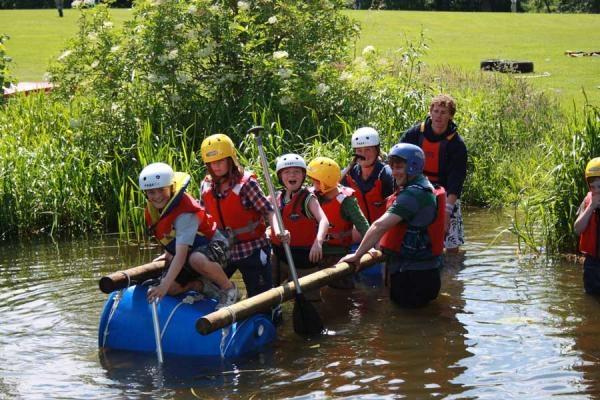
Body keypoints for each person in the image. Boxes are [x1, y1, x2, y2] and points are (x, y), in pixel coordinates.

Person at [340, 143, 446, 307]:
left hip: (413, 276)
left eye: (399, 168)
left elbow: (379, 226)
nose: (394, 173)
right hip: (421, 271)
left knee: (405, 325)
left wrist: (357, 255)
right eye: (393, 167)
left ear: (413, 167)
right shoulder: (421, 186)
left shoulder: (413, 195)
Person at [140, 162, 239, 309]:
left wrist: (163, 286)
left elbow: (180, 255)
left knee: (196, 259)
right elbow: (171, 234)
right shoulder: (153, 210)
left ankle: (229, 289)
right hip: (192, 250)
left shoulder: (185, 213)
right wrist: (168, 254)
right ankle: (202, 286)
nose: (157, 196)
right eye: (151, 192)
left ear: (172, 188)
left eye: (161, 190)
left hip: (217, 245)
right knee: (172, 289)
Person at [199, 133, 283, 303]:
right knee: (205, 284)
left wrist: (279, 230)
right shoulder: (207, 185)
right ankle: (227, 309)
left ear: (231, 159)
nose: (216, 166)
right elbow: (201, 216)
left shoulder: (246, 184)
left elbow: (269, 210)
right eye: (212, 163)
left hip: (251, 248)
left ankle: (272, 316)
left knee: (261, 297)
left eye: (221, 161)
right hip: (223, 248)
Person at [399, 94, 467, 253]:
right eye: (436, 111)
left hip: (446, 192)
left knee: (451, 241)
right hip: (416, 188)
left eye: (443, 112)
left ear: (450, 116)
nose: (438, 116)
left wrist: (447, 212)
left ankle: (452, 272)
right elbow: (399, 159)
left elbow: (456, 181)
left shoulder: (457, 144)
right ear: (430, 112)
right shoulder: (415, 133)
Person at [270, 153, 329, 301]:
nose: (292, 175)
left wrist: (318, 242)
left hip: (304, 260)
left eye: (296, 172)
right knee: (267, 291)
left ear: (303, 176)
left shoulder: (308, 198)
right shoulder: (276, 197)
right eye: (287, 172)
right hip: (280, 256)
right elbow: (271, 216)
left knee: (310, 301)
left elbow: (324, 220)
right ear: (280, 176)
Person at [306, 156, 369, 289]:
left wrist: (371, 247)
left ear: (325, 183)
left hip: (338, 252)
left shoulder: (347, 201)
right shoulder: (314, 196)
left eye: (315, 182)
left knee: (341, 292)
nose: (313, 185)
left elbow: (362, 225)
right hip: (314, 250)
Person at [341, 127, 395, 225]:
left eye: (368, 150)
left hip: (383, 230)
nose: (364, 154)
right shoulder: (350, 174)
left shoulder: (386, 174)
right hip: (360, 231)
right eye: (359, 151)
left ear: (377, 150)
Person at [574, 157, 600, 295]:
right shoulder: (588, 201)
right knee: (591, 301)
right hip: (592, 265)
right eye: (592, 186)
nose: (596, 190)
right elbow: (578, 229)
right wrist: (591, 207)